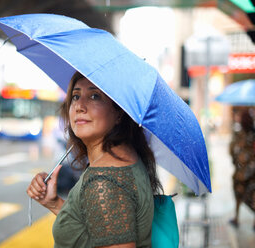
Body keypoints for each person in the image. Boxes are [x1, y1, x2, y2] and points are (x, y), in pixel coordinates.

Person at [27, 71, 163, 247]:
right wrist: (53, 203)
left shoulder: (104, 180)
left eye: (94, 96)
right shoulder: (123, 157)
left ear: (119, 113)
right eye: (75, 96)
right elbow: (94, 231)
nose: (79, 106)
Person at [229, 108, 255, 232]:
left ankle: (237, 218)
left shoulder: (238, 133)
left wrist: (235, 161)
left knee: (239, 192)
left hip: (242, 171)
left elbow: (232, 150)